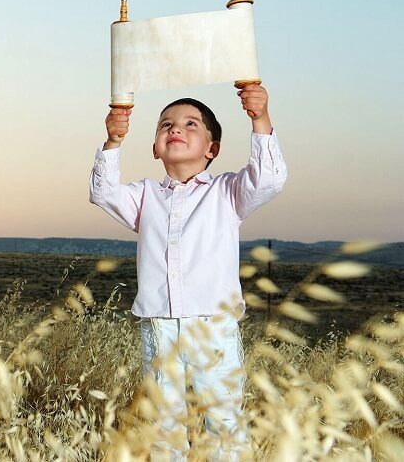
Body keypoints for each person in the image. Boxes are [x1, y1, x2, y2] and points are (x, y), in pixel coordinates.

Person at [89, 85, 287, 460]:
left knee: (222, 419)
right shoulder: (145, 196)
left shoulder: (227, 192)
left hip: (212, 325)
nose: (175, 129)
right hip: (158, 324)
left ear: (212, 149)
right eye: (166, 124)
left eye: (191, 124)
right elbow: (102, 191)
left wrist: (259, 117)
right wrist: (113, 139)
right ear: (155, 148)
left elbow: (269, 179)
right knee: (163, 422)